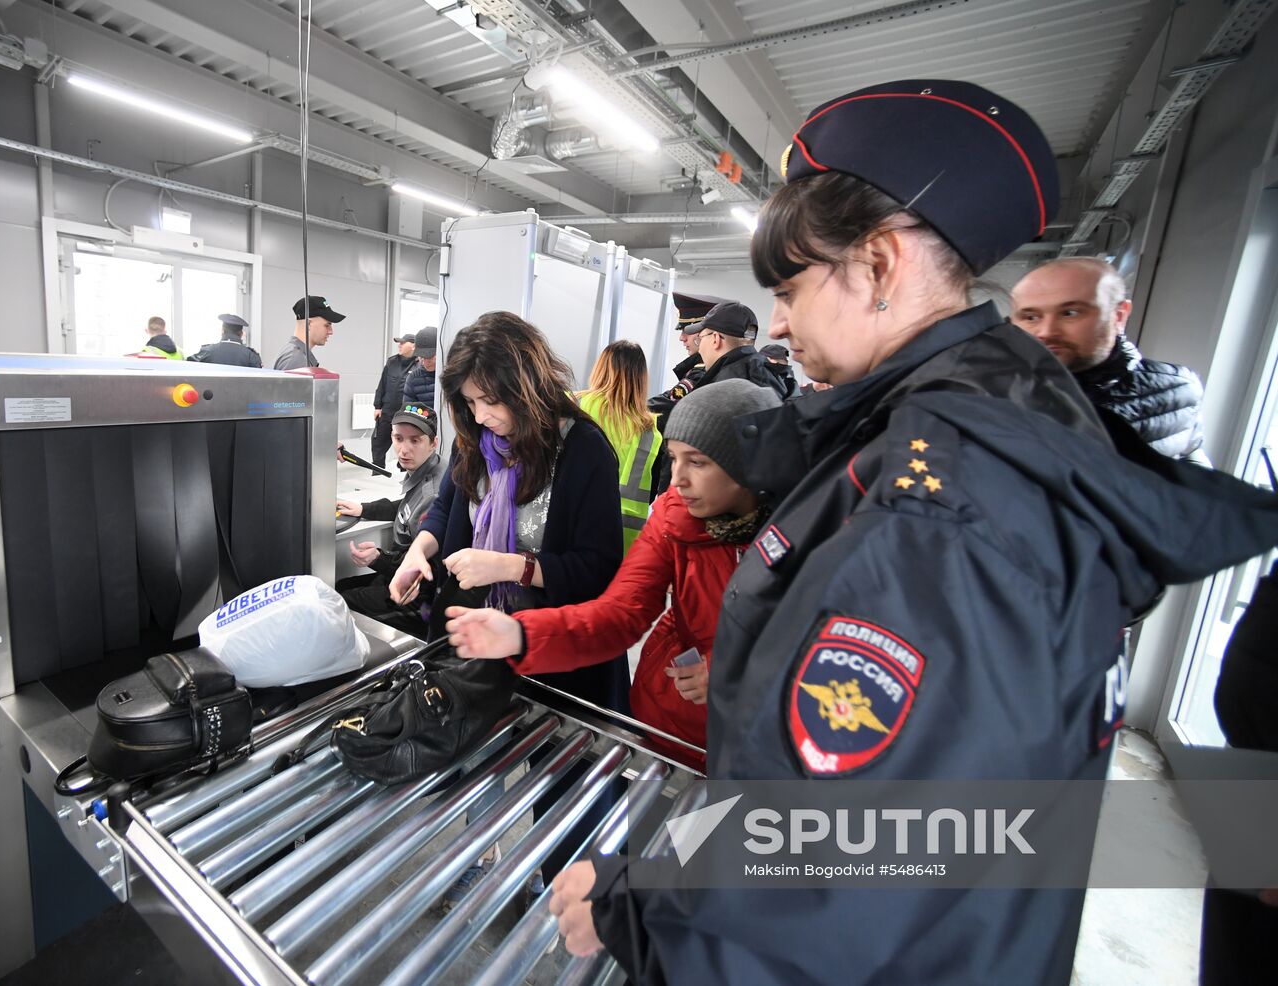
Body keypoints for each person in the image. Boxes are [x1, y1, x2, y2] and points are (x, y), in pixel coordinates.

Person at [544, 78, 1278, 984]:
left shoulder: (939, 499)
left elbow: (848, 869)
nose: (776, 321)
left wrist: (637, 910)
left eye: (789, 287)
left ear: (881, 266)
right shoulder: (970, 421)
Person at [386, 310, 624, 905]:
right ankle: (480, 861)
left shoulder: (584, 451)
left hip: (561, 659)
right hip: (483, 645)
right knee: (480, 761)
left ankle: (573, 904)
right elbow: (447, 511)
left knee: (565, 793)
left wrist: (514, 565)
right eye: (469, 402)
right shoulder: (479, 443)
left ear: (527, 384)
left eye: (492, 400)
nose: (482, 415)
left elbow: (598, 569)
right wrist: (419, 551)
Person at [446, 379, 780, 752]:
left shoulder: (810, 531)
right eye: (673, 459)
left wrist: (735, 671)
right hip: (672, 718)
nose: (677, 480)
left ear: (749, 465)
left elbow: (822, 649)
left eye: (698, 462)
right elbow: (621, 613)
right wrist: (520, 636)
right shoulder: (675, 517)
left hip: (766, 739)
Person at [1010, 257, 1208, 462]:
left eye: (1070, 313)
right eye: (1031, 317)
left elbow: (1193, 463)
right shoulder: (989, 390)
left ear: (1119, 315)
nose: (1047, 331)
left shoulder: (1176, 389)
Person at [337, 403, 444, 638]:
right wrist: (364, 508)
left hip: (418, 598)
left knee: (338, 601)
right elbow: (405, 507)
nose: (404, 449)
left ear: (433, 443)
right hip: (397, 573)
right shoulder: (428, 470)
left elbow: (424, 568)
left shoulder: (434, 492)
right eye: (398, 438)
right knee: (339, 587)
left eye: (415, 440)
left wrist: (378, 558)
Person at [577, 340, 663, 552]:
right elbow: (651, 492)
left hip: (572, 531)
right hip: (622, 546)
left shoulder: (573, 406)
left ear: (600, 368)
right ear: (642, 379)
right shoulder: (650, 430)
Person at [646, 293, 725, 498]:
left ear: (705, 334)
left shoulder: (702, 372)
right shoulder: (701, 370)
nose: (682, 338)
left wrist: (626, 407)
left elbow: (665, 406)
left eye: (687, 331)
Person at [691, 301, 784, 394]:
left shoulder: (721, 390)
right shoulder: (775, 378)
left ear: (716, 339)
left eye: (700, 339)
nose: (699, 350)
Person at [370, 334, 418, 465]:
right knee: (377, 444)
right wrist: (377, 407)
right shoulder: (391, 362)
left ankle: (405, 476)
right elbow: (382, 385)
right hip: (386, 411)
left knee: (406, 447)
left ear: (413, 345)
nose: (399, 345)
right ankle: (377, 473)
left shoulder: (419, 365)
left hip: (406, 414)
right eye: (399, 343)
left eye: (403, 343)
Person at [274, 295, 345, 370]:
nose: (331, 332)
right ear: (308, 324)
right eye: (327, 325)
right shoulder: (296, 359)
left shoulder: (297, 355)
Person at [187, 314, 262, 367]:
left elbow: (188, 366)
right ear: (241, 333)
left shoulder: (208, 351)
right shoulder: (250, 355)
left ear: (222, 331)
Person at [401, 326, 438, 407]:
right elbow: (409, 410)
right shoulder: (413, 378)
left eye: (429, 357)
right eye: (421, 357)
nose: (424, 362)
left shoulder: (452, 375)